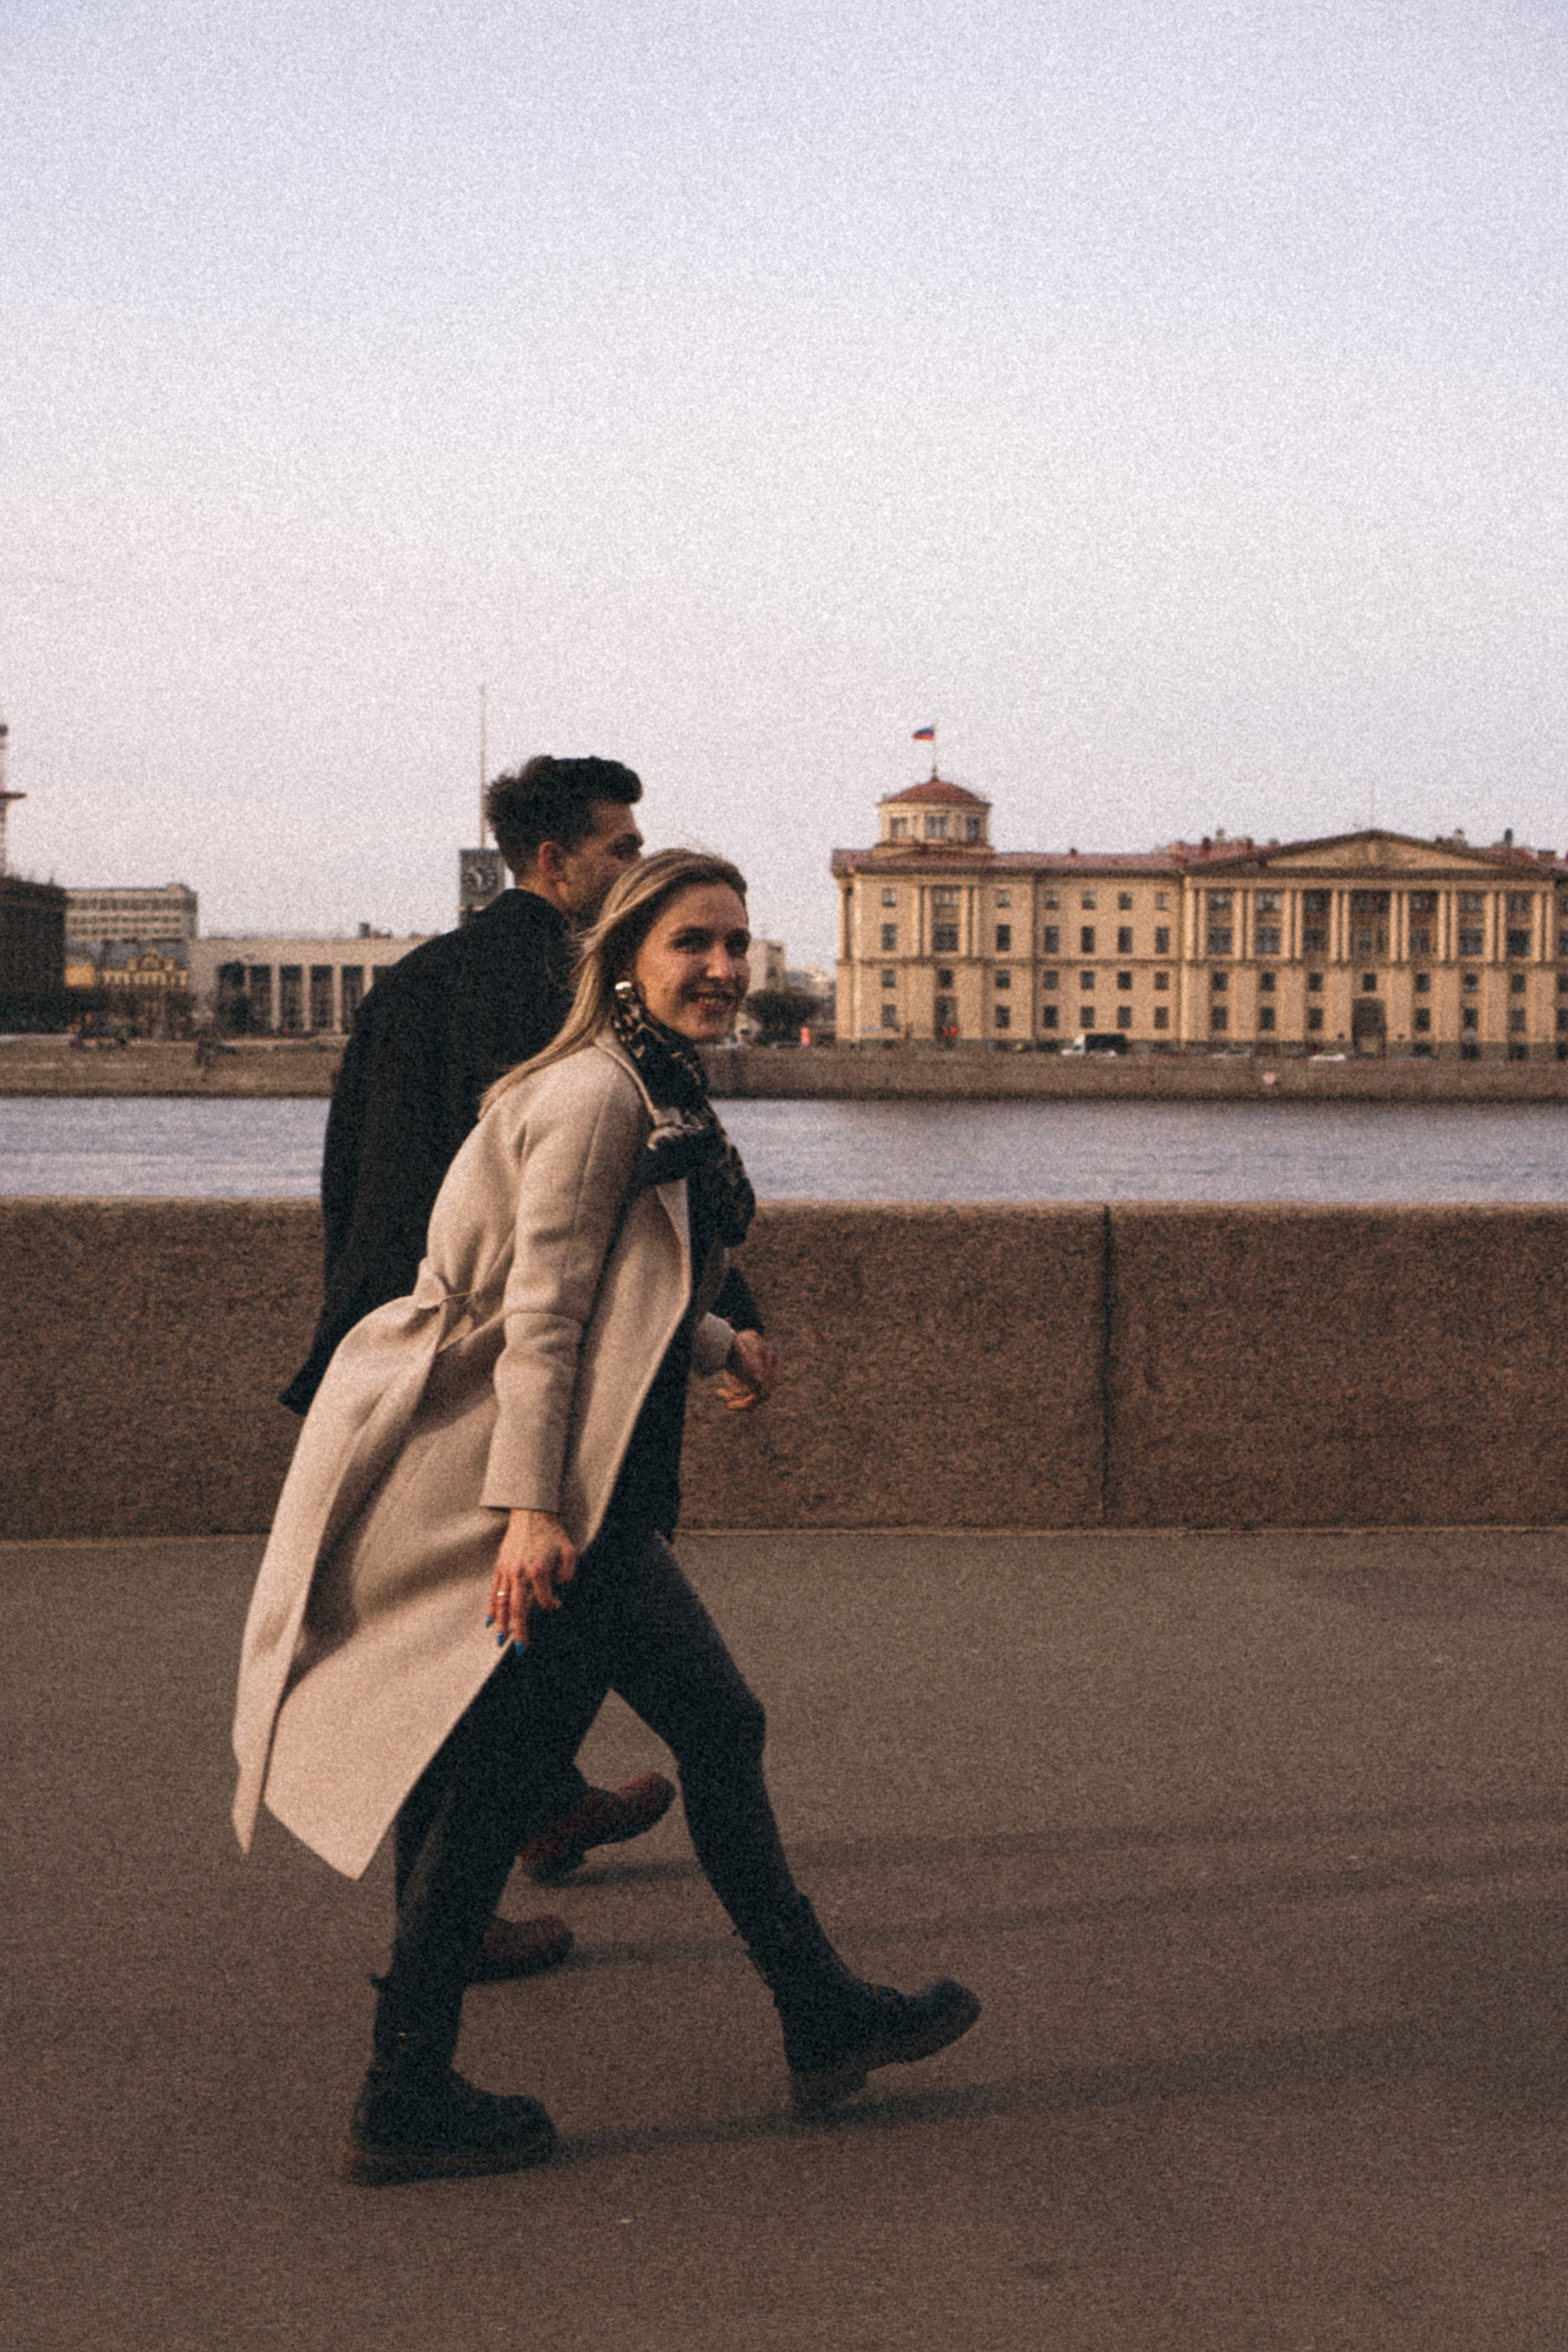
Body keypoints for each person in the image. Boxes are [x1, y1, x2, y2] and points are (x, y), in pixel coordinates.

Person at [233, 849, 981, 2185]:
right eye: (694, 941)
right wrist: (530, 1513)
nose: (725, 969)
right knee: (648, 1744)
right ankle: (431, 2087)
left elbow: (607, 1288)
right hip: (566, 1494)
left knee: (526, 1775)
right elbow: (544, 1315)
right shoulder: (594, 1096)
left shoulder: (639, 1084)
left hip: (587, 1483)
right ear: (625, 953)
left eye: (739, 944)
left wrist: (707, 1346)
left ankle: (786, 2020)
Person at [278, 757, 757, 1965]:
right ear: (554, 865)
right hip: (536, 1390)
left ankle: (525, 1831)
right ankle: (432, 1988)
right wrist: (716, 1319)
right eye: (619, 849)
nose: (634, 865)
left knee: (497, 1661)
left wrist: (364, 1347)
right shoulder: (579, 1003)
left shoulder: (417, 983)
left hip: (419, 1355)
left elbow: (365, 1184)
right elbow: (590, 1228)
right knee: (516, 1662)